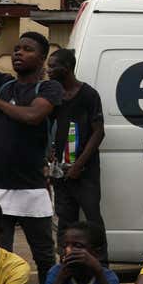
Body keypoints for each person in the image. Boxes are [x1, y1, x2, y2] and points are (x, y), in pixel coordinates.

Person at [0, 30, 61, 283]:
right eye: (16, 49)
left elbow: (33, 116)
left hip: (30, 186)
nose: (18, 53)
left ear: (42, 57)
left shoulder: (49, 87)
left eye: (27, 49)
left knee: (44, 256)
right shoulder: (4, 84)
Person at [47, 48, 108, 262]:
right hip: (60, 172)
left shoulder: (88, 95)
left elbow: (99, 131)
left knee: (93, 220)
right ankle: (66, 264)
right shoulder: (54, 96)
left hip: (85, 172)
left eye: (53, 66)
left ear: (67, 68)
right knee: (65, 222)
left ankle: (102, 266)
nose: (49, 70)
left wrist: (79, 165)